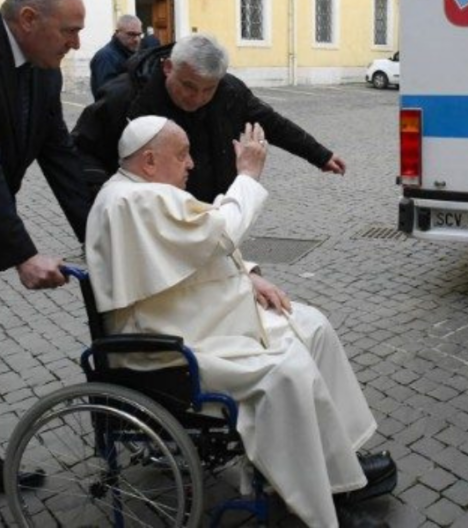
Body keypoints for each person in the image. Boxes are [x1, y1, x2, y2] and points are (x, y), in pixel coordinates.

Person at [85, 116, 395, 528]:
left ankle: (337, 463)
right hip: (167, 345)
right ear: (149, 160)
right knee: (286, 371)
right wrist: (247, 175)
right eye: (182, 154)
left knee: (311, 324)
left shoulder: (142, 192)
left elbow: (195, 248)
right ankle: (318, 499)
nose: (191, 163)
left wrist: (248, 276)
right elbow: (219, 232)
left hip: (193, 315)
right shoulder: (133, 200)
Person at [73, 33, 347, 202]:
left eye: (208, 89)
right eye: (189, 86)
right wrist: (103, 200)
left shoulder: (229, 91)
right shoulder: (124, 97)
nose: (197, 97)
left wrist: (319, 154)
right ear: (168, 68)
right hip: (151, 222)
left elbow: (272, 123)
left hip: (211, 213)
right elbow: (82, 151)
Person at [0, 0, 90, 492]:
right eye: (70, 31)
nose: (76, 43)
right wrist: (22, 253)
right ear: (29, 20)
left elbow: (60, 155)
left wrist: (100, 236)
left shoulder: (44, 70)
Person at [89, 14, 142, 98]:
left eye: (139, 35)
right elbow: (108, 94)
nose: (136, 39)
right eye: (131, 34)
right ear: (117, 33)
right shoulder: (105, 57)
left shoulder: (131, 53)